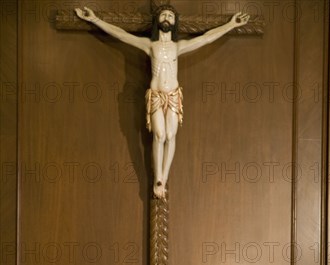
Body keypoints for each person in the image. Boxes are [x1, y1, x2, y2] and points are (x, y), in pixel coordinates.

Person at [74, 5, 250, 199]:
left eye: (171, 16)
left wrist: (231, 25)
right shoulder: (150, 45)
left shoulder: (178, 46)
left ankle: (163, 180)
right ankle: (158, 177)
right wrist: (95, 20)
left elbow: (206, 38)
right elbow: (122, 35)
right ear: (158, 21)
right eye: (164, 15)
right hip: (157, 95)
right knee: (159, 134)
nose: (167, 17)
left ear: (174, 23)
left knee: (171, 135)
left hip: (173, 95)